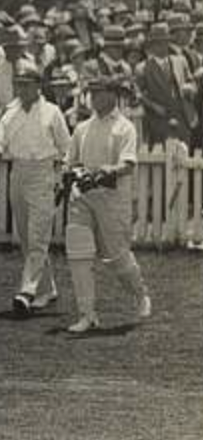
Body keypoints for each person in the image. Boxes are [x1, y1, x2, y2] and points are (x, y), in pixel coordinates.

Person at [63, 76, 153, 333]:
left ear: (114, 95)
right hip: (82, 197)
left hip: (112, 200)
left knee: (117, 256)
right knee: (78, 253)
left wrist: (104, 173)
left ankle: (140, 294)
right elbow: (70, 161)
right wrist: (69, 174)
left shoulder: (124, 127)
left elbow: (128, 164)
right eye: (91, 93)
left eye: (100, 93)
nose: (94, 98)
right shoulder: (82, 128)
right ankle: (87, 314)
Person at [0, 61, 71, 315]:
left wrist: (63, 174)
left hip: (43, 173)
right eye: (18, 85)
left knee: (38, 235)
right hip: (18, 173)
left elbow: (67, 147)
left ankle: (27, 291)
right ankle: (47, 288)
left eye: (27, 85)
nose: (22, 89)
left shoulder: (52, 112)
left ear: (38, 87)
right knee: (26, 236)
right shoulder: (11, 112)